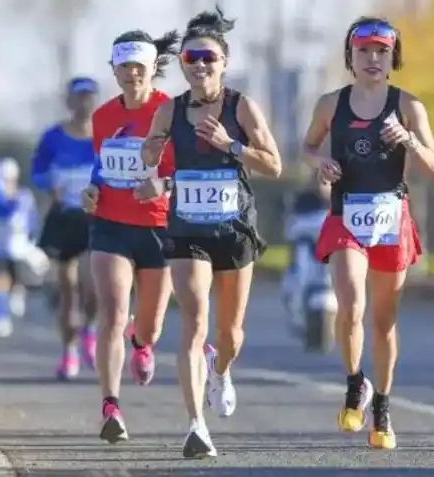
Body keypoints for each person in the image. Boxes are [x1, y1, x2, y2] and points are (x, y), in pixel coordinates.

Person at [141, 7, 282, 458]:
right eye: (191, 58)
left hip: (234, 227)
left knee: (231, 333)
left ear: (223, 62)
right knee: (195, 318)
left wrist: (230, 145)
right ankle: (196, 426)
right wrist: (150, 155)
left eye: (209, 58)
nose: (200, 65)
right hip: (187, 229)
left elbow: (275, 165)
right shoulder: (170, 110)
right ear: (182, 63)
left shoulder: (242, 107)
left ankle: (221, 371)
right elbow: (150, 157)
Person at [302, 17, 434, 449]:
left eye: (381, 51)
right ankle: (354, 381)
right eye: (364, 51)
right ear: (351, 56)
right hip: (346, 216)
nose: (373, 59)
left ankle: (381, 406)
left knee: (383, 321)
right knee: (350, 303)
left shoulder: (409, 106)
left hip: (389, 219)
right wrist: (317, 163)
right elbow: (308, 147)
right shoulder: (330, 104)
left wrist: (409, 141)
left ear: (392, 56)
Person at [80, 29, 177, 444]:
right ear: (115, 70)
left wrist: (163, 186)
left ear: (154, 67)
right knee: (113, 313)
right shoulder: (102, 116)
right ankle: (111, 406)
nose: (133, 73)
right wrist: (91, 190)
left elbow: (188, 171)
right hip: (110, 225)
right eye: (125, 66)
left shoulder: (171, 112)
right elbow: (102, 167)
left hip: (159, 227)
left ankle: (143, 342)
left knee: (149, 325)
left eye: (140, 65)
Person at [31, 76, 99, 380]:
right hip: (63, 218)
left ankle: (90, 328)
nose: (85, 102)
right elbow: (37, 172)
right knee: (67, 288)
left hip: (94, 219)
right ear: (70, 102)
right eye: (79, 97)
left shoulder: (105, 136)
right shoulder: (53, 137)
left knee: (91, 285)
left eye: (89, 96)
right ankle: (69, 352)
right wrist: (51, 184)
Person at [0, 158, 44, 337]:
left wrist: (33, 237)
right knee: (1, 280)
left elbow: (32, 220)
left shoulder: (24, 196)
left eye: (10, 178)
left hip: (19, 248)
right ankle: (1, 316)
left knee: (16, 280)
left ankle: (18, 292)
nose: (8, 182)